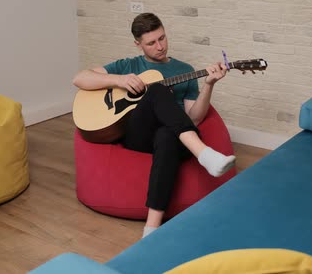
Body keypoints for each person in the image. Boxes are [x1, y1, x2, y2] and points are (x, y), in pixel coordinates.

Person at [72, 13, 235, 238]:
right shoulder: (128, 65)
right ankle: (204, 154)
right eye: (151, 43)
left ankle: (151, 228)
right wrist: (118, 80)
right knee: (156, 88)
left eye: (162, 38)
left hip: (175, 136)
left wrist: (209, 85)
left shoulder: (184, 69)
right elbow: (80, 78)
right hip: (137, 135)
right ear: (138, 44)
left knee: (167, 135)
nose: (160, 47)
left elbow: (194, 118)